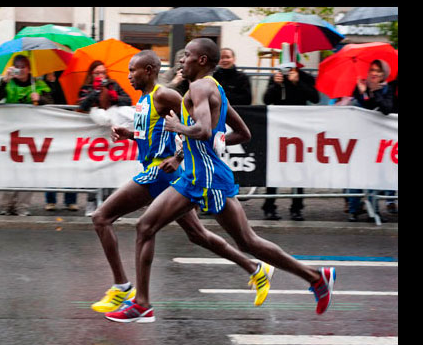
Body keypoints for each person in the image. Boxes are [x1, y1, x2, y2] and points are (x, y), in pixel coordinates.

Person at [104, 39, 335, 323]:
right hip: (198, 174)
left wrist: (180, 128)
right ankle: (315, 277)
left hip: (204, 177)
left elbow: (201, 129)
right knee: (244, 241)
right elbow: (242, 133)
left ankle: (141, 304)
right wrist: (211, 142)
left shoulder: (200, 87)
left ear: (201, 61)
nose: (181, 60)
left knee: (149, 227)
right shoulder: (215, 88)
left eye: (186, 55)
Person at [93, 49, 271, 315]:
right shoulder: (144, 99)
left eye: (134, 70)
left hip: (160, 171)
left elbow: (194, 127)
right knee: (197, 235)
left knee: (102, 217)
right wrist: (129, 133)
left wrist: (178, 157)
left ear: (150, 71)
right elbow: (152, 132)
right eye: (129, 70)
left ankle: (124, 287)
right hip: (162, 170)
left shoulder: (166, 94)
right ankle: (256, 268)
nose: (129, 76)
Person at [0, 54, 53, 216]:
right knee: (10, 169)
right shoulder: (8, 83)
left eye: (23, 66)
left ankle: (22, 206)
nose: (21, 69)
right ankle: (7, 205)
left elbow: (52, 103)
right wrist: (3, 80)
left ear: (29, 68)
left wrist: (40, 98)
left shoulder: (38, 84)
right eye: (17, 66)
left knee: (27, 171)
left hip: (32, 135)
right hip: (10, 134)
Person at [336, 60, 395, 222]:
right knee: (356, 172)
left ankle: (373, 210)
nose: (374, 73)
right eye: (372, 70)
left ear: (384, 74)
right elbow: (360, 108)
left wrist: (372, 94)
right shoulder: (359, 87)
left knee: (374, 174)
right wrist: (364, 93)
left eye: (378, 71)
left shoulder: (387, 89)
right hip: (359, 136)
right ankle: (354, 210)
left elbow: (386, 109)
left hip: (378, 139)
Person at [261, 61, 320, 221]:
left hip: (299, 131)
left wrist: (297, 82)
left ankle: (297, 207)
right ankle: (269, 206)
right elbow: (266, 99)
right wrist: (276, 85)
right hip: (278, 129)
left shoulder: (305, 77)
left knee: (299, 168)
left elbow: (315, 98)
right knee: (275, 168)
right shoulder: (277, 77)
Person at [77, 61, 132, 216]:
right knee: (95, 169)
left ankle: (111, 207)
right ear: (91, 74)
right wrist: (95, 92)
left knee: (112, 170)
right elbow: (82, 105)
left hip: (111, 135)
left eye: (103, 72)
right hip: (94, 137)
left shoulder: (113, 85)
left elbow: (128, 100)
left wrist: (114, 98)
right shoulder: (86, 88)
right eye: (97, 73)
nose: (101, 75)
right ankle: (91, 203)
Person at [43, 71, 78, 212]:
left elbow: (69, 100)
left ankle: (70, 200)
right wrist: (49, 83)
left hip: (68, 125)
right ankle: (50, 200)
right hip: (49, 127)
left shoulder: (68, 78)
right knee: (51, 164)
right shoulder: (40, 82)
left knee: (70, 163)